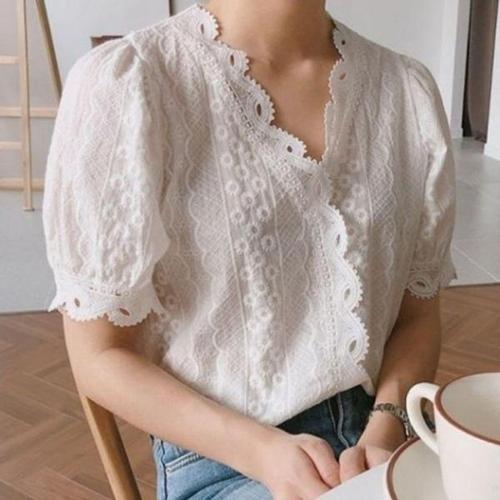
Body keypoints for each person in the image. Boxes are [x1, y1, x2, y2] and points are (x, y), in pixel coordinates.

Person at [42, 0, 457, 498]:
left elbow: (416, 315)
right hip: (223, 460)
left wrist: (385, 428)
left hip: (382, 438)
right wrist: (260, 451)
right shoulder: (133, 83)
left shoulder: (405, 91)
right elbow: (100, 355)